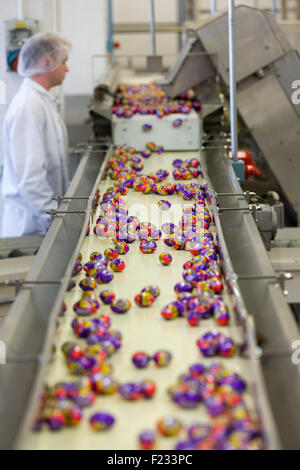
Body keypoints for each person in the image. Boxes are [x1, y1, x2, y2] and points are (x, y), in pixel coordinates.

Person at [1, 32, 71, 237]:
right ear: (46, 62)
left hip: (42, 220)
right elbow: (30, 178)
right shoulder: (28, 106)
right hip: (30, 227)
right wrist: (55, 221)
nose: (67, 68)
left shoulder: (42, 100)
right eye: (64, 62)